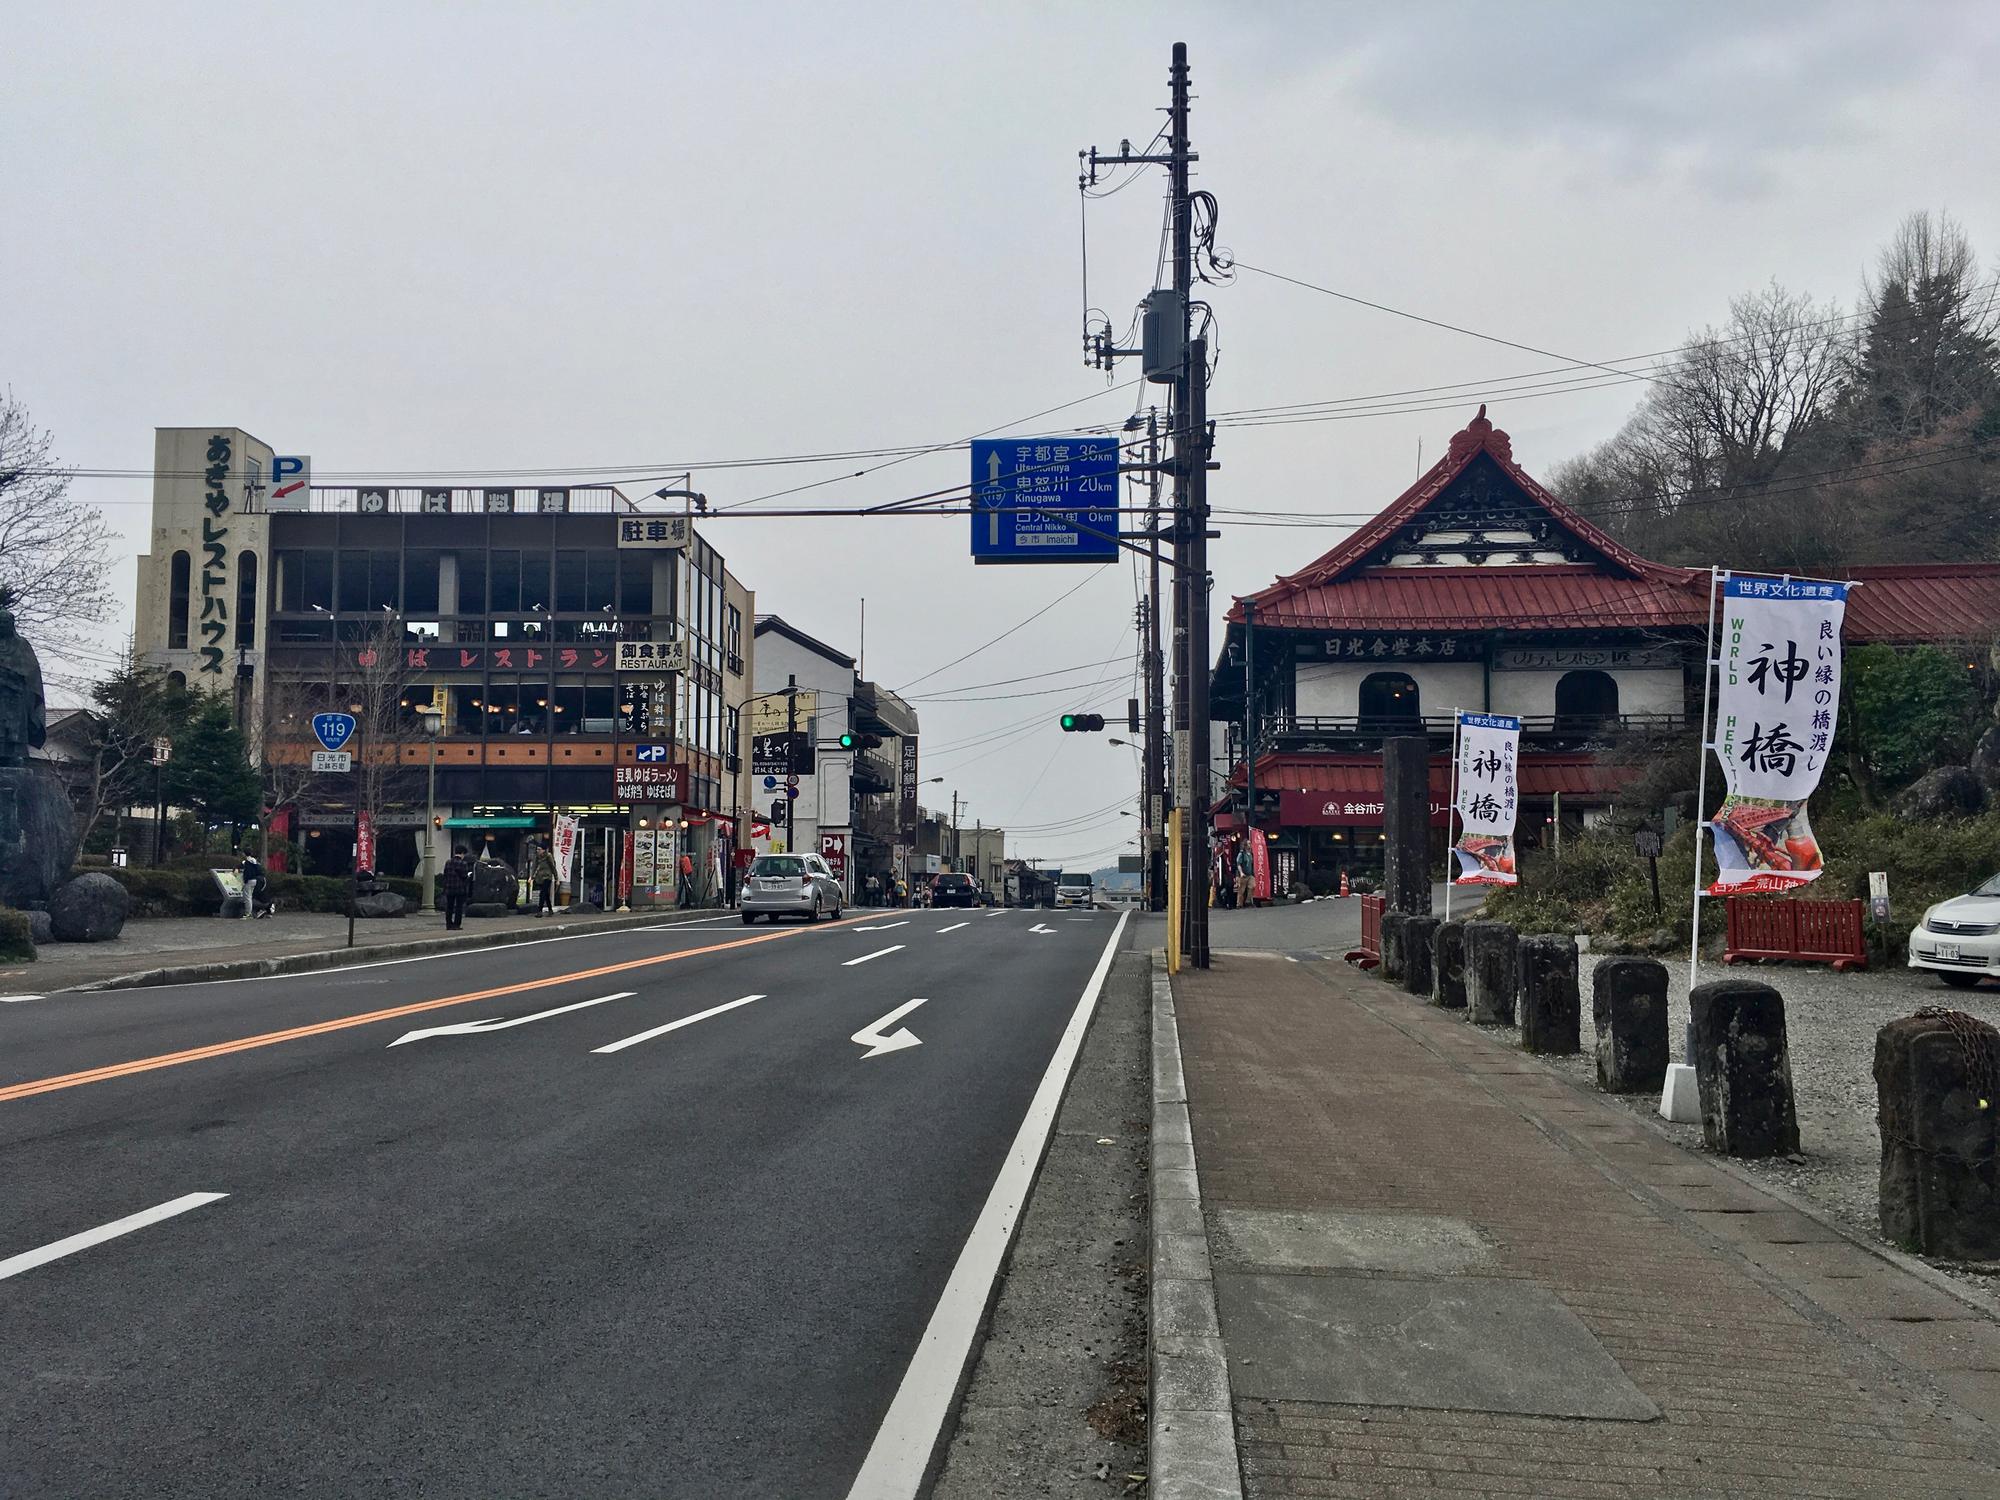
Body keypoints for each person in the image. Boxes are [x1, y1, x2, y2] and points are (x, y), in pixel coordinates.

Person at [441, 845, 474, 930]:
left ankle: (449, 924)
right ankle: (456, 924)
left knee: (449, 907)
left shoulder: (448, 862)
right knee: (459, 907)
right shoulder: (463, 863)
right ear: (462, 853)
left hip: (449, 887)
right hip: (459, 888)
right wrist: (468, 875)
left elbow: (445, 874)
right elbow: (464, 876)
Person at [528, 840, 557, 917]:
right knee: (546, 894)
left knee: (542, 894)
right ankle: (550, 909)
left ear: (544, 850)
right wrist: (531, 876)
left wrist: (556, 878)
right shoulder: (537, 856)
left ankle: (539, 911)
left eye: (539, 849)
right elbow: (534, 866)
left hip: (547, 877)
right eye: (537, 849)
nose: (538, 851)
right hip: (539, 877)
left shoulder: (548, 856)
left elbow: (553, 867)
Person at [238, 851, 270, 919]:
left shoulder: (247, 862)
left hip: (249, 881)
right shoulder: (254, 862)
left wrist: (245, 880)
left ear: (244, 854)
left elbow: (246, 872)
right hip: (255, 880)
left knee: (247, 898)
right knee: (250, 897)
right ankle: (252, 912)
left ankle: (248, 914)